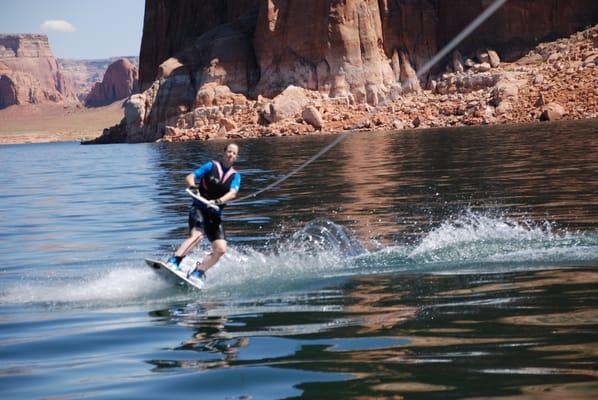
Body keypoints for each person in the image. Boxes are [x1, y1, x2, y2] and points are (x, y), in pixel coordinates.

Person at [166, 143, 241, 285]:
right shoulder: (211, 166)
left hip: (214, 214)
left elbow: (233, 193)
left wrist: (219, 201)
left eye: (234, 153)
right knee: (198, 235)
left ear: (236, 157)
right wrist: (193, 187)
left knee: (220, 249)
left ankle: (198, 272)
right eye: (229, 151)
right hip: (199, 208)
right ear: (223, 152)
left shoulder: (236, 176)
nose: (231, 154)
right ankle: (174, 261)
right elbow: (190, 177)